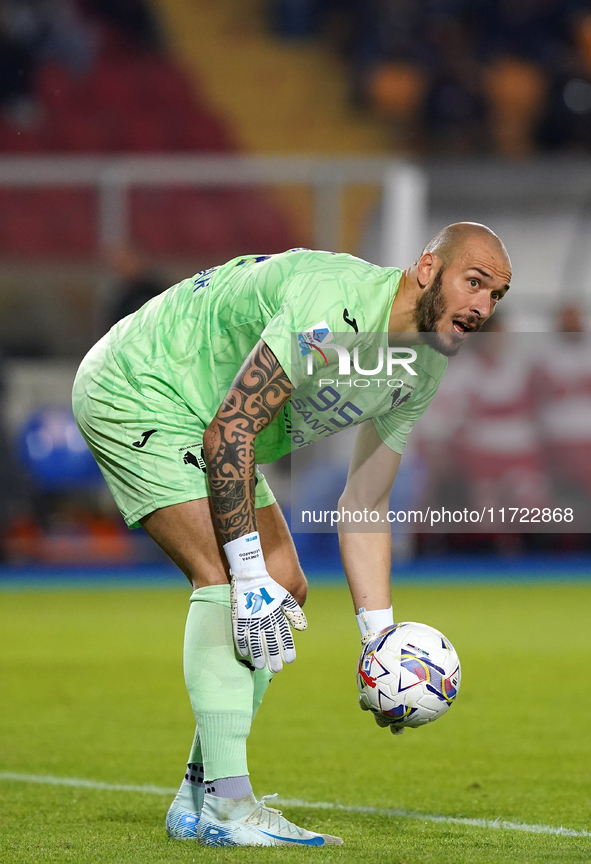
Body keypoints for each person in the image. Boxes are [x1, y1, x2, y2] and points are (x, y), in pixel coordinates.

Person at [72, 222, 511, 847]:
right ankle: (229, 806)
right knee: (232, 581)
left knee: (283, 586)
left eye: (497, 296)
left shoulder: (420, 366)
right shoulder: (335, 308)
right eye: (474, 283)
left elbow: (364, 499)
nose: (483, 308)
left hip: (209, 417)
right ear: (425, 268)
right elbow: (230, 433)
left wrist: (378, 641)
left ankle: (197, 798)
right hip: (143, 387)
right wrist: (245, 574)